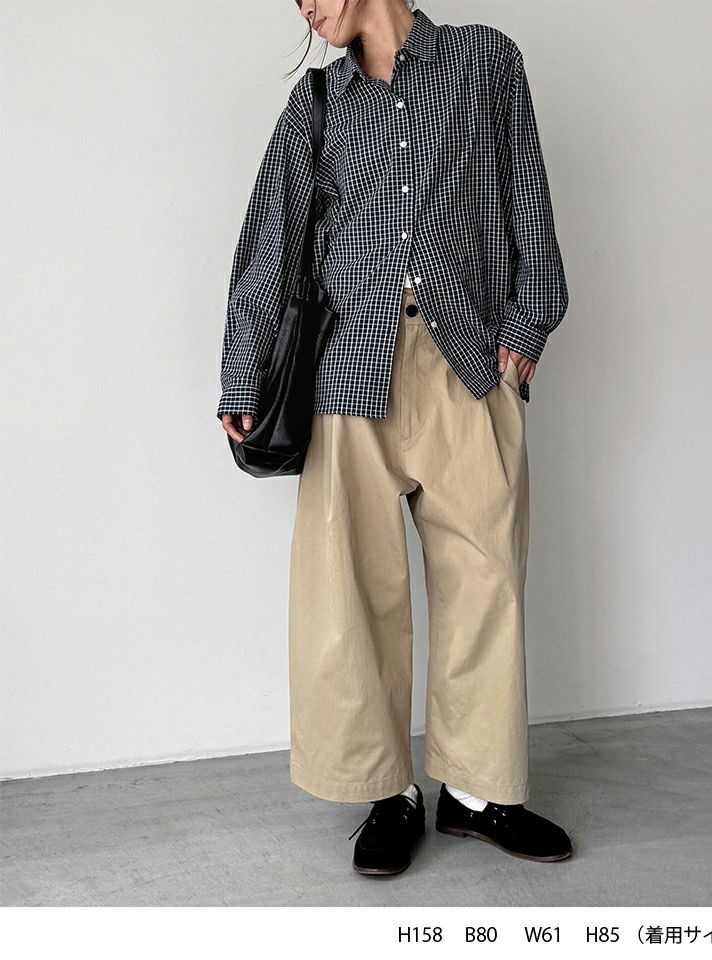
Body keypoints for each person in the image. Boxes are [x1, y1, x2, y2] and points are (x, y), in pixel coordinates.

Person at [217, 0, 573, 876]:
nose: (305, 8)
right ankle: (387, 794)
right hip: (349, 373)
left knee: (487, 577)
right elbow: (272, 239)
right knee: (352, 591)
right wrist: (241, 370)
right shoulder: (318, 103)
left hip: (467, 361)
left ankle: (477, 795)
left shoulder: (485, 61)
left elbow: (527, 195)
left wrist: (528, 324)